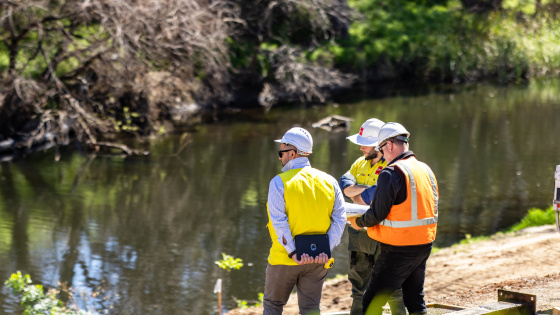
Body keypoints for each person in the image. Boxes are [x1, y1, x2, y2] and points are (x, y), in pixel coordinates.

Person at [348, 122, 439, 315]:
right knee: (415, 299)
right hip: (424, 244)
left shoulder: (391, 173)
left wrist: (357, 222)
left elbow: (375, 215)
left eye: (381, 148)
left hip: (398, 248)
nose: (382, 154)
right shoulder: (425, 169)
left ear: (389, 145)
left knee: (371, 302)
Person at [264, 127, 347, 315]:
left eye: (281, 152)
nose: (280, 158)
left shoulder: (279, 182)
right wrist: (325, 250)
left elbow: (279, 221)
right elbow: (340, 219)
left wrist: (294, 252)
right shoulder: (330, 181)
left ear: (292, 153)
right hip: (318, 261)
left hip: (284, 259)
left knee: (273, 306)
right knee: (310, 309)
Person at [339, 119, 405, 315]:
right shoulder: (360, 163)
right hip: (359, 235)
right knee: (359, 288)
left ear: (379, 143)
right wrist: (367, 194)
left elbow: (378, 197)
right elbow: (344, 184)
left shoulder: (393, 164)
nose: (361, 148)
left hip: (385, 235)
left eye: (364, 143)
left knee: (393, 287)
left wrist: (360, 194)